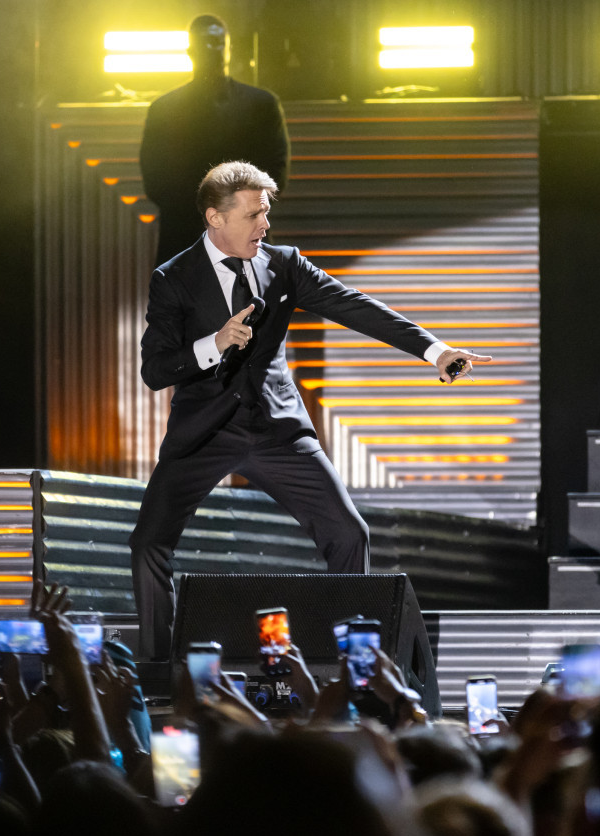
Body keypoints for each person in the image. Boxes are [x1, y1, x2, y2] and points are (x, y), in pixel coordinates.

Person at [129, 160, 490, 660]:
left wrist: (435, 350)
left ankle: (349, 667)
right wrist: (213, 343)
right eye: (255, 214)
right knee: (148, 544)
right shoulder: (174, 279)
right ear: (215, 218)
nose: (266, 224)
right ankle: (158, 670)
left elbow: (355, 305)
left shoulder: (285, 264)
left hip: (278, 430)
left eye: (267, 212)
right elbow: (155, 370)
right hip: (205, 433)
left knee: (348, 533)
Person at [139, 14, 289, 266]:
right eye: (207, 42)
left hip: (186, 235)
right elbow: (155, 178)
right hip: (217, 235)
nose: (214, 49)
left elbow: (275, 173)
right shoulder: (259, 105)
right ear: (191, 50)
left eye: (218, 42)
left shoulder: (165, 109)